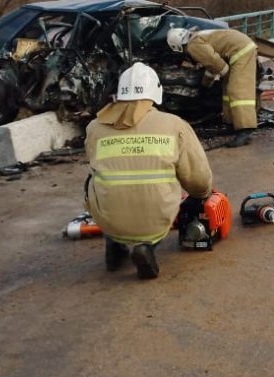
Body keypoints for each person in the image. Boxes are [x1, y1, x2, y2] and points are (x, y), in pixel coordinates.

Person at [85, 62, 213, 279]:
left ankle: (115, 244)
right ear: (156, 91)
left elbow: (97, 169)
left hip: (110, 219)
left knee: (94, 181)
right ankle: (147, 247)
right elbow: (198, 179)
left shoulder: (94, 127)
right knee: (158, 190)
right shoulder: (174, 125)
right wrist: (202, 195)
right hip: (157, 218)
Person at [167, 26, 258, 146]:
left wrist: (214, 80)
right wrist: (207, 82)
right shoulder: (196, 37)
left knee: (237, 89)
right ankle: (232, 124)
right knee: (227, 90)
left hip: (242, 51)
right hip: (239, 49)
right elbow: (211, 65)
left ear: (176, 46)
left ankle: (246, 130)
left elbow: (213, 62)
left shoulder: (192, 45)